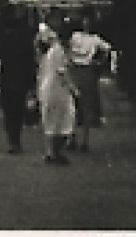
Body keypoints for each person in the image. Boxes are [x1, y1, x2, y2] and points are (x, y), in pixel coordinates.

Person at [0, 6, 39, 154]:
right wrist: (32, 82)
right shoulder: (26, 40)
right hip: (22, 80)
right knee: (18, 111)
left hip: (7, 79)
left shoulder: (5, 39)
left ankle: (12, 141)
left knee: (8, 111)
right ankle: (16, 140)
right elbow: (32, 62)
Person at [67, 12, 113, 151]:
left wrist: (98, 61)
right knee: (75, 105)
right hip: (80, 70)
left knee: (83, 106)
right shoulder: (78, 36)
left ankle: (83, 140)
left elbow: (107, 48)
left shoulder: (94, 39)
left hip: (84, 70)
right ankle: (74, 137)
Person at [37, 22, 80, 165]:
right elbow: (62, 72)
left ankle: (52, 151)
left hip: (49, 88)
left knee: (53, 121)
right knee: (63, 119)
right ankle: (56, 151)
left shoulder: (53, 50)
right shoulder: (59, 51)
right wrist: (73, 88)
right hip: (57, 90)